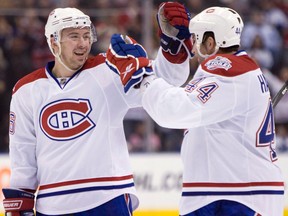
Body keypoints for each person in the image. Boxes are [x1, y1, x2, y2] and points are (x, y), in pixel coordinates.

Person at [2, 5, 191, 215]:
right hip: (53, 204)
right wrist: (19, 204)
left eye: (86, 35)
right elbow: (23, 153)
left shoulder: (108, 68)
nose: (83, 43)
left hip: (108, 198)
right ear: (54, 41)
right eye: (74, 36)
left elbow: (167, 79)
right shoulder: (25, 90)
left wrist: (172, 45)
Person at [106, 6, 285, 216]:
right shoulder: (233, 70)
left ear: (211, 43)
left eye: (197, 39)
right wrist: (171, 52)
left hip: (238, 196)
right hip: (223, 190)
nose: (194, 47)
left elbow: (173, 111)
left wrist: (142, 75)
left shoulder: (229, 72)